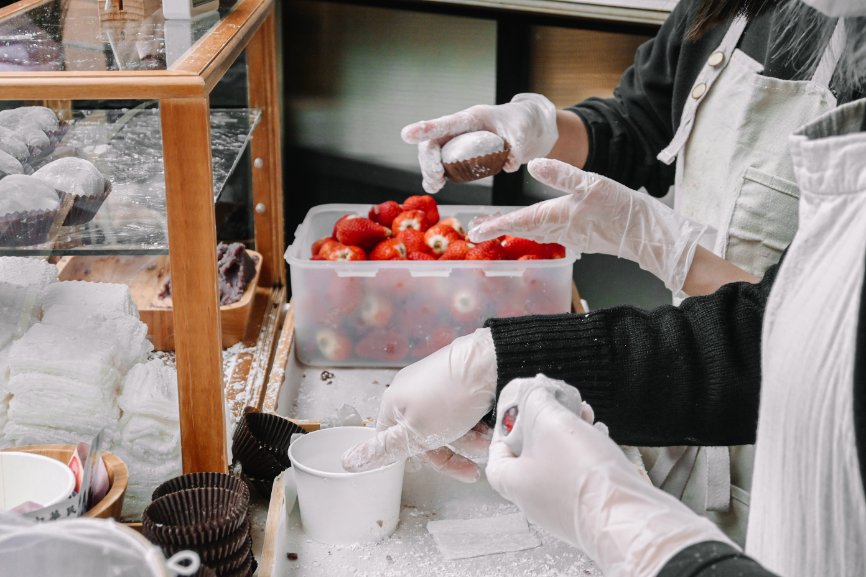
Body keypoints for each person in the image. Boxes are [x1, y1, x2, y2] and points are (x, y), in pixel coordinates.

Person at [344, 0, 866, 574]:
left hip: (811, 467)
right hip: (687, 396)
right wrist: (546, 129)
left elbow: (788, 341)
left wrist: (670, 251)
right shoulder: (731, 8)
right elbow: (643, 120)